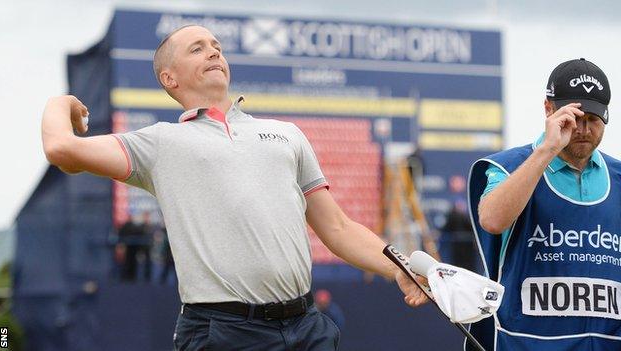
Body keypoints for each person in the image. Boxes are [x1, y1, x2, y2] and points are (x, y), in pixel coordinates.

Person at [41, 24, 426, 350]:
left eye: (217, 48)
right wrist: (61, 103)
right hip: (223, 332)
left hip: (308, 326)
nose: (213, 53)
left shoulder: (286, 134)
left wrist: (400, 268)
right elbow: (61, 149)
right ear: (169, 78)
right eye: (197, 49)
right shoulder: (159, 144)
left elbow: (338, 228)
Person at [468, 58, 620, 350]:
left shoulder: (619, 177)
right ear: (548, 109)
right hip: (526, 343)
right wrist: (547, 150)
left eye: (594, 120)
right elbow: (492, 220)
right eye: (575, 118)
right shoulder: (508, 166)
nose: (584, 129)